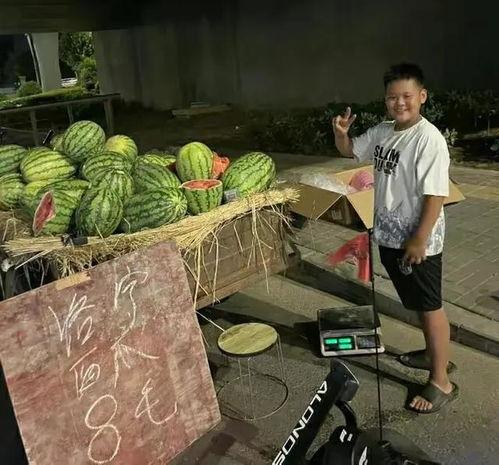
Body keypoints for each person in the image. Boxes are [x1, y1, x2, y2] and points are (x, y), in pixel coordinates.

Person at [332, 63, 459, 414]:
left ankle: (441, 382)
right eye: (392, 97)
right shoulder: (384, 131)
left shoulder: (428, 139)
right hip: (390, 237)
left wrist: (419, 240)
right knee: (417, 302)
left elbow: (436, 195)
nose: (399, 103)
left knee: (430, 306)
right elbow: (349, 151)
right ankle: (432, 354)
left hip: (416, 242)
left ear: (422, 96)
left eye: (407, 96)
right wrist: (341, 134)